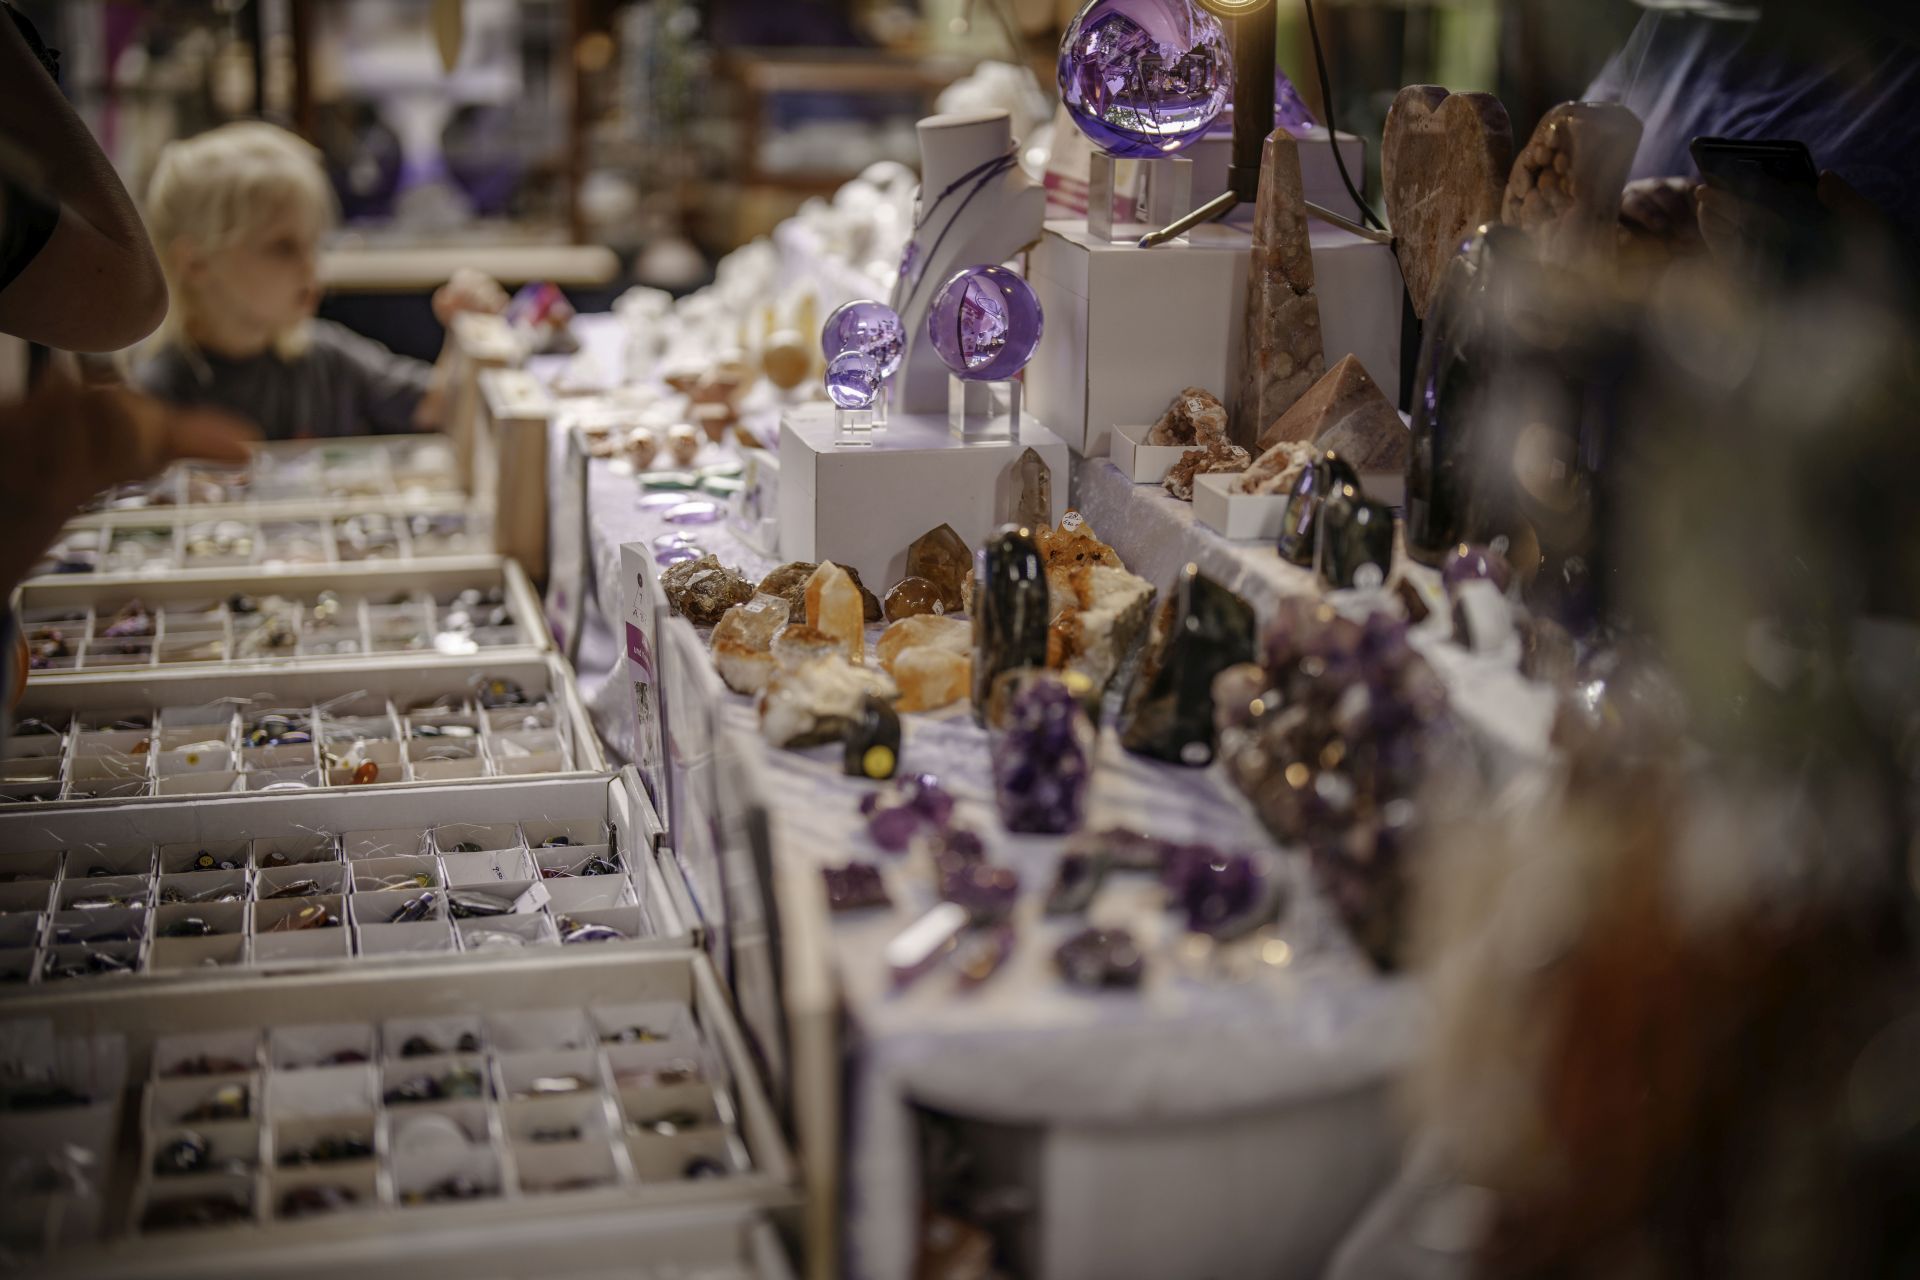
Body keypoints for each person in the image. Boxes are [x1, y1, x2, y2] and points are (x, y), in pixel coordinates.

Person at [136, 121, 506, 441]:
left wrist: (465, 328)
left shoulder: (326, 359)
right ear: (195, 264)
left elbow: (437, 406)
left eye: (313, 244)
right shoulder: (157, 394)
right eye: (282, 247)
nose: (310, 267)